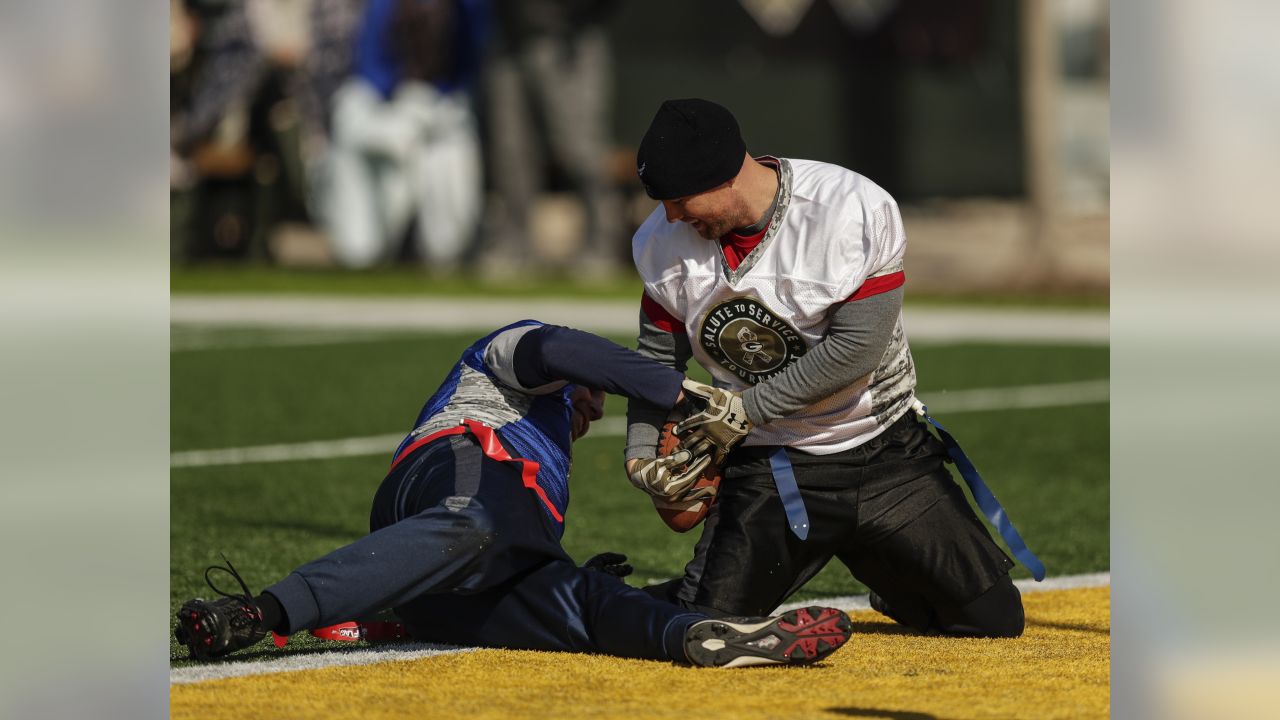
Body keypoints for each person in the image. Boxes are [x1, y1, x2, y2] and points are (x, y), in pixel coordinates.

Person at [175, 320, 853, 668]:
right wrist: (675, 392)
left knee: (581, 607)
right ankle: (260, 610)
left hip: (457, 574)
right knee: (474, 523)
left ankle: (698, 637)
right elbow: (559, 348)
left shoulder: (548, 449)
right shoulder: (511, 359)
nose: (590, 414)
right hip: (446, 470)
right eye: (590, 400)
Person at [624, 98, 1031, 638]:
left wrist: (744, 409)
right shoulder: (661, 243)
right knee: (706, 622)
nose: (672, 216)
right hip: (773, 462)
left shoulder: (847, 208)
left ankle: (889, 568)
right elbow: (655, 359)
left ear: (722, 175)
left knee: (993, 621)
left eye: (679, 200)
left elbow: (855, 352)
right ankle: (583, 596)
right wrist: (639, 448)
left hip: (885, 449)